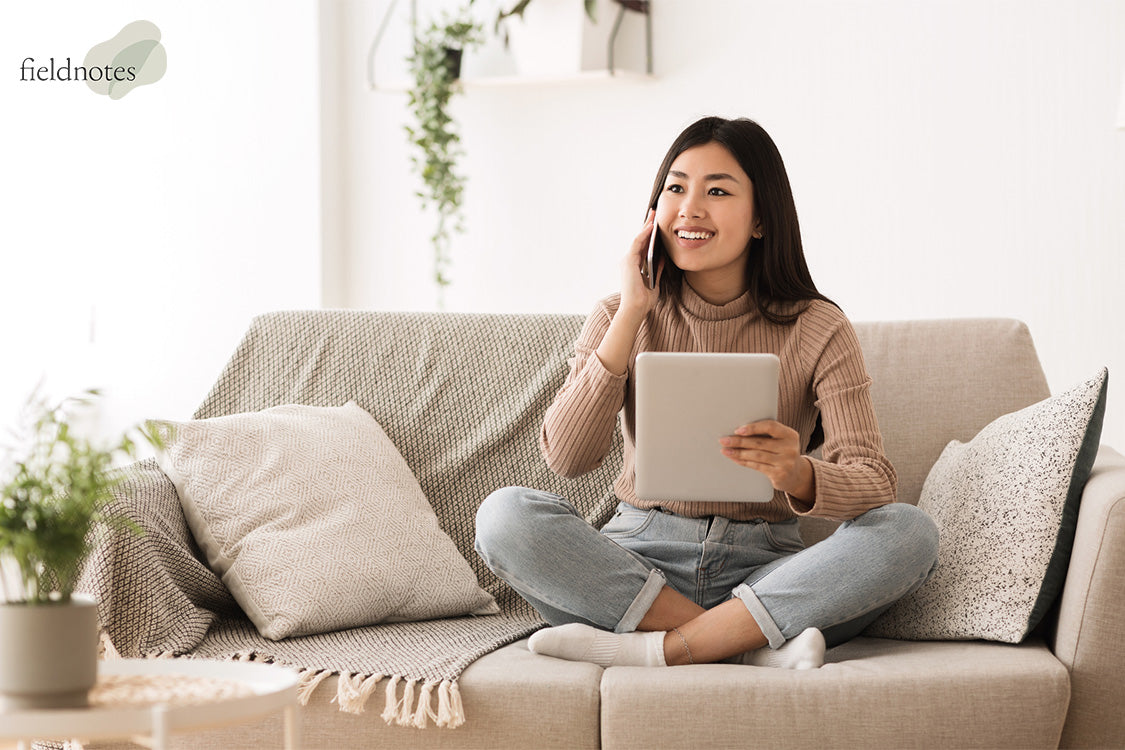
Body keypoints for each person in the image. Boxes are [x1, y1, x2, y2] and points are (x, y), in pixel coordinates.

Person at [474, 116, 939, 670]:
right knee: (504, 515)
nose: (689, 208)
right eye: (675, 188)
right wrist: (631, 316)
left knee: (910, 532)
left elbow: (875, 481)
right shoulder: (617, 315)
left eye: (717, 190)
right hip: (636, 564)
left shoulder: (820, 327)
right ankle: (746, 645)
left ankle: (659, 648)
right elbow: (567, 458)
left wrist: (798, 474)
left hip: (768, 569)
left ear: (762, 218)